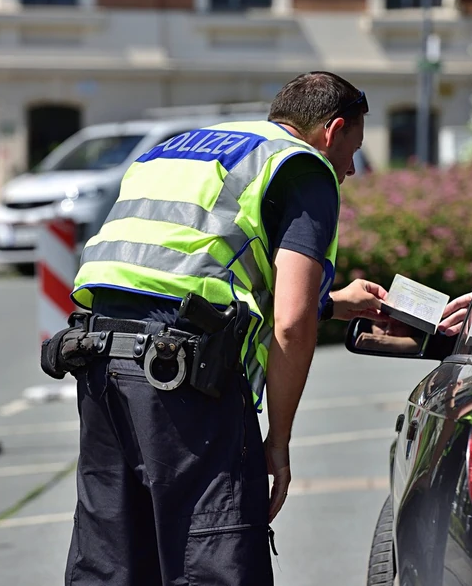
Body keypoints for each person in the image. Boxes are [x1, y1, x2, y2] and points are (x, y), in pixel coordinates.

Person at [55, 71, 387, 585]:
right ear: (333, 130)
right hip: (179, 376)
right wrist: (277, 442)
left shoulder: (183, 148)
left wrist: (335, 303)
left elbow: (178, 271)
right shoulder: (304, 168)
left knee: (112, 559)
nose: (349, 170)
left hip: (97, 355)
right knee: (210, 561)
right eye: (353, 150)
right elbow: (291, 324)